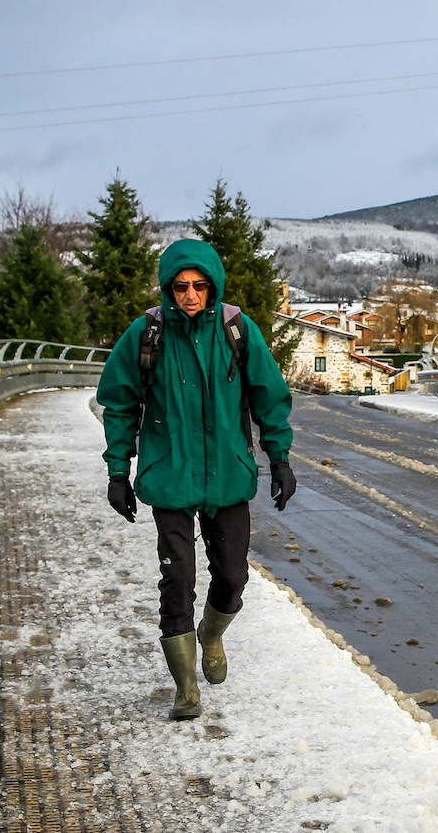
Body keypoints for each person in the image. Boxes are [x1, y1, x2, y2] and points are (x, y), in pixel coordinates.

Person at [96, 239, 296, 720]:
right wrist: (118, 472)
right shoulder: (147, 335)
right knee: (177, 576)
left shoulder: (236, 330)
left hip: (227, 473)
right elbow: (119, 403)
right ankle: (186, 685)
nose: (189, 294)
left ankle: (211, 636)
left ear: (213, 285)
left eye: (199, 285)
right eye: (180, 286)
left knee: (231, 575)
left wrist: (280, 458)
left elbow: (269, 395)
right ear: (169, 288)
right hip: (169, 474)